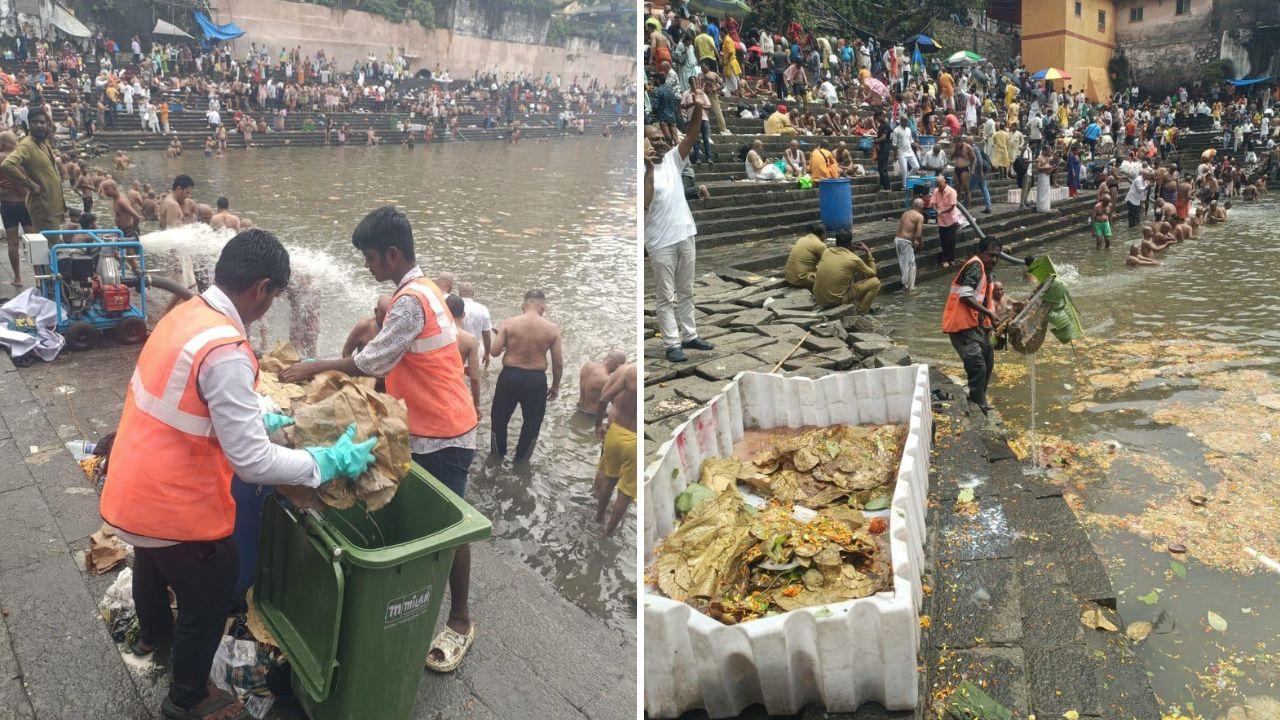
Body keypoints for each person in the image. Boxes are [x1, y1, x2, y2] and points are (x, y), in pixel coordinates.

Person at [100, 230, 377, 720]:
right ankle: (187, 697)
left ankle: (152, 636)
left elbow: (189, 397)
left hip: (131, 489)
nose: (267, 309)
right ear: (262, 288)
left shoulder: (187, 315)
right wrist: (324, 463)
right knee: (210, 587)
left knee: (154, 559)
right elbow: (252, 463)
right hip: (171, 503)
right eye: (274, 297)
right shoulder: (226, 348)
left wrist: (258, 415)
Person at [279, 206, 480, 673]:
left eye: (370, 257)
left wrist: (315, 367)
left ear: (392, 254)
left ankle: (460, 619)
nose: (367, 266)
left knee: (450, 529)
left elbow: (373, 361)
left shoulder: (411, 300)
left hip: (445, 433)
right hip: (426, 427)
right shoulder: (423, 289)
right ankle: (405, 595)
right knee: (414, 514)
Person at [645, 81, 714, 363]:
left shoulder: (674, 159)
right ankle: (672, 343)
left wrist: (697, 108)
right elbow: (645, 203)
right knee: (665, 296)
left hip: (685, 234)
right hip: (660, 242)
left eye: (661, 138)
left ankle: (690, 335)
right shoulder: (640, 172)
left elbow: (693, 134)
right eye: (652, 139)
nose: (660, 142)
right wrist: (648, 171)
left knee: (687, 290)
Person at [488, 289, 562, 462]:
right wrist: (555, 386)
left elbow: (494, 351)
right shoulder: (552, 329)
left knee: (499, 419)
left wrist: (505, 342)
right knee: (532, 423)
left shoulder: (509, 323)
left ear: (523, 306)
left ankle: (497, 456)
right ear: (543, 307)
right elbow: (558, 363)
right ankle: (521, 460)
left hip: (510, 377)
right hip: (536, 380)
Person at [941, 235, 1002, 413]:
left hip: (976, 325)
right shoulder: (975, 266)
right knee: (978, 365)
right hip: (961, 325)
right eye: (990, 255)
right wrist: (989, 314)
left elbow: (983, 299)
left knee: (988, 359)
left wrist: (989, 322)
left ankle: (979, 398)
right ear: (980, 253)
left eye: (997, 256)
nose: (994, 259)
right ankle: (979, 405)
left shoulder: (987, 271)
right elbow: (965, 295)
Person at [0, 112, 64, 233]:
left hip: (44, 206)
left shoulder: (42, 144)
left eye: (42, 122)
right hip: (37, 205)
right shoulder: (26, 147)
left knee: (22, 239)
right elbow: (7, 165)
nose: (39, 125)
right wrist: (31, 185)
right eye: (35, 122)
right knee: (39, 238)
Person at [593, 362, 636, 537]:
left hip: (616, 432)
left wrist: (598, 425)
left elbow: (603, 399)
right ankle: (608, 533)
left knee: (609, 479)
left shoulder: (631, 372)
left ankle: (598, 517)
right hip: (635, 440)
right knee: (626, 493)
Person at [811, 232, 880, 313]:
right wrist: (868, 252)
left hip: (819, 299)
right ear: (850, 243)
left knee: (847, 275)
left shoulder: (826, 252)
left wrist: (850, 250)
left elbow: (841, 259)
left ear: (836, 242)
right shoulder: (854, 259)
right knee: (875, 282)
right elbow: (873, 273)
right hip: (835, 302)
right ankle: (861, 312)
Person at [444, 294, 483, 421]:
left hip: (434, 388)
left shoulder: (433, 335)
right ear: (463, 314)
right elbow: (475, 378)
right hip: (455, 388)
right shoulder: (469, 340)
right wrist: (476, 405)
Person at [0, 131, 31, 287]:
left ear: (3, 143)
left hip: (8, 204)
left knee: (12, 243)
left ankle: (18, 278)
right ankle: (39, 278)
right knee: (33, 240)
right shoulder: (23, 158)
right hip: (26, 204)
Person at [579, 349, 626, 415]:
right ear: (617, 366)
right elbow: (617, 405)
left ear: (606, 358)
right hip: (592, 415)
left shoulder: (587, 365)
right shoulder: (608, 380)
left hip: (579, 408)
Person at [783, 224, 828, 288]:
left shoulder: (801, 239)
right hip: (800, 279)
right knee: (830, 276)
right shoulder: (820, 245)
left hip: (788, 277)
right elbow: (829, 265)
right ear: (823, 234)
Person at [894, 199, 925, 292]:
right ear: (921, 207)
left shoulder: (906, 213)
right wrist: (921, 244)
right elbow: (918, 234)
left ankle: (906, 287)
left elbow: (908, 228)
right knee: (911, 266)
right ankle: (908, 290)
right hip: (905, 242)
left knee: (904, 265)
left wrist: (914, 241)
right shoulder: (919, 216)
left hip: (897, 240)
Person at [931, 174, 960, 267]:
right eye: (937, 184)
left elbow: (952, 206)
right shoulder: (936, 191)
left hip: (951, 219)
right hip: (941, 220)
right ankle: (946, 259)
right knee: (943, 240)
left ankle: (950, 259)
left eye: (940, 184)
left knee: (951, 241)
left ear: (945, 182)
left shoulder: (951, 192)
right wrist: (936, 209)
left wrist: (942, 211)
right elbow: (933, 203)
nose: (939, 186)